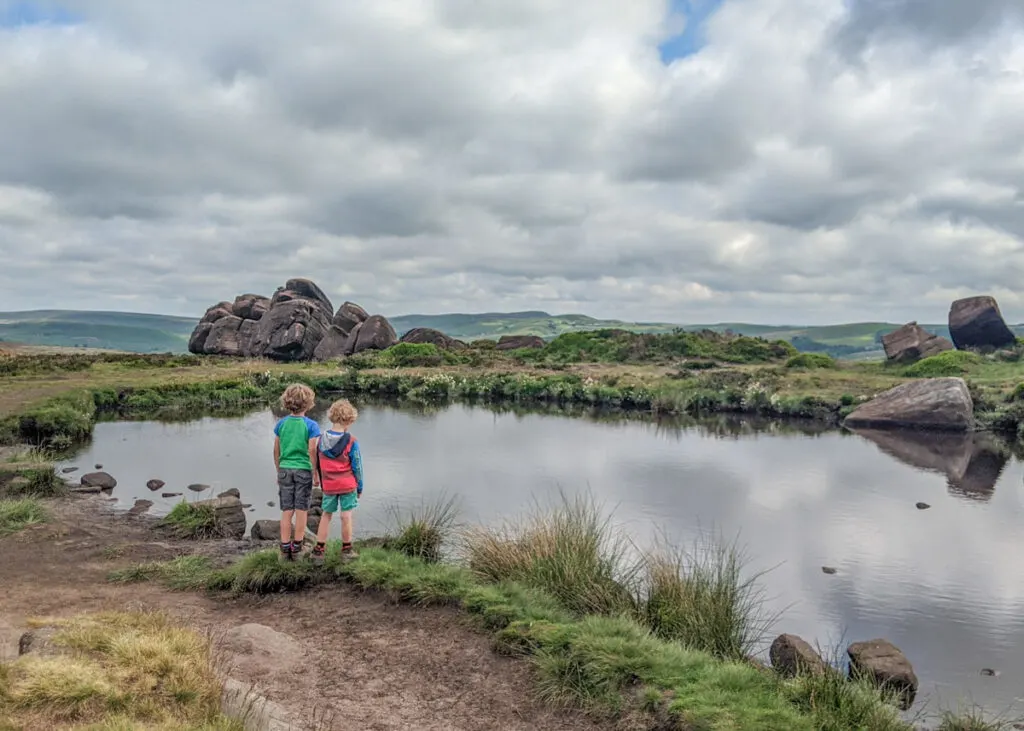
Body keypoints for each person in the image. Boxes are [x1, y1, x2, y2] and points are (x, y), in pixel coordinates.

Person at [311, 398, 363, 565]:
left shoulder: (319, 440)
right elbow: (357, 466)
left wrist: (318, 478)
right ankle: (347, 550)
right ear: (348, 420)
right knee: (346, 516)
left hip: (329, 485)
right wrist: (360, 486)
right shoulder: (351, 441)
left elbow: (318, 463)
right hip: (348, 485)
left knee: (326, 515)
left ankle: (319, 551)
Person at [273, 383, 321, 562]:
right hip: (303, 470)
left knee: (287, 510)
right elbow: (312, 450)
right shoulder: (312, 425)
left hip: (285, 469)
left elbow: (276, 450)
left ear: (287, 402)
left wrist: (279, 470)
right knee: (301, 510)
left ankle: (285, 548)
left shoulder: (281, 424)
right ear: (308, 404)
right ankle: (298, 546)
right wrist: (315, 472)